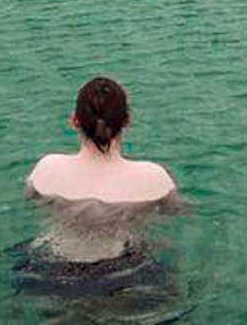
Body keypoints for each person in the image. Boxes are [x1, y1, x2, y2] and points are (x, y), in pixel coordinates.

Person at [22, 76, 180, 267]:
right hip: (126, 269)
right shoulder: (154, 176)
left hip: (53, 268)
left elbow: (30, 198)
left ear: (75, 121)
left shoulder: (47, 168)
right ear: (127, 121)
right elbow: (174, 212)